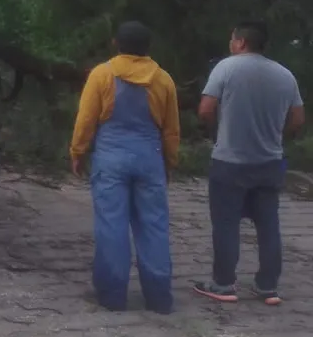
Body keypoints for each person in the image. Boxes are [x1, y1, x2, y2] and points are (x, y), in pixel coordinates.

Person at [70, 21, 180, 314]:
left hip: (111, 159)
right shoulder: (163, 80)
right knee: (154, 226)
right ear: (148, 48)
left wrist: (78, 151)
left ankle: (112, 295)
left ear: (115, 44)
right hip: (149, 158)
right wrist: (169, 162)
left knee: (111, 225)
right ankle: (159, 298)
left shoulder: (102, 74)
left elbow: (86, 119)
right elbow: (171, 130)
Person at [193, 20, 303, 306]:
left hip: (230, 160)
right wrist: (277, 137)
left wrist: (215, 132)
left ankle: (223, 284)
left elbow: (206, 108)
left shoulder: (227, 67)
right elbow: (298, 119)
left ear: (241, 42)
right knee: (268, 225)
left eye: (233, 39)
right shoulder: (285, 75)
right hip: (269, 161)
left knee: (226, 224)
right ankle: (268, 287)